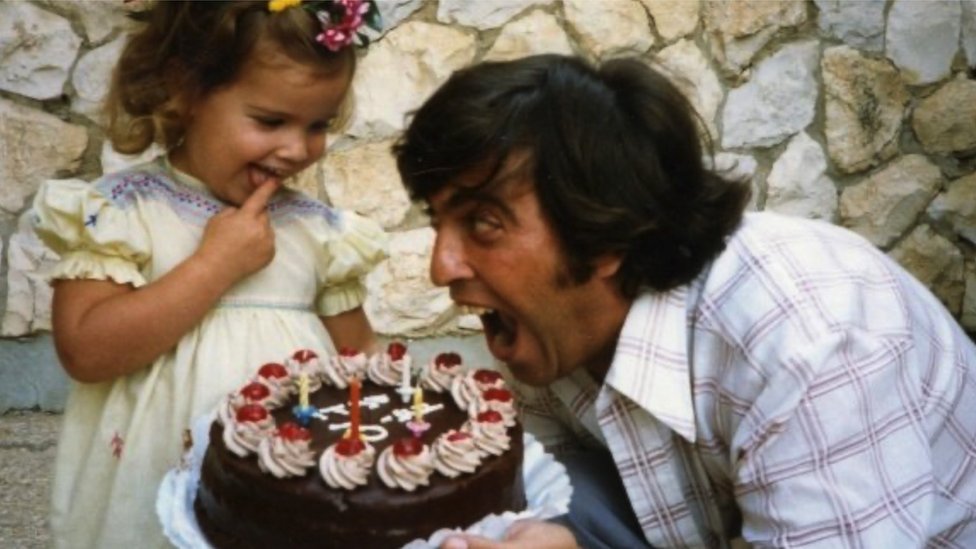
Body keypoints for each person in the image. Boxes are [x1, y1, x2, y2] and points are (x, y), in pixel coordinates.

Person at [393, 54, 976, 548]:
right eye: (438, 221)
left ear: (603, 237)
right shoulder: (555, 330)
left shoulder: (809, 342)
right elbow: (578, 495)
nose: (441, 266)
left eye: (484, 223)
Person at [31, 1, 386, 547]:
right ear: (186, 90)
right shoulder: (123, 214)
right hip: (151, 490)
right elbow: (87, 350)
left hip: (287, 496)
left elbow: (360, 360)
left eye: (318, 125)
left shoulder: (318, 234)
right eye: (271, 121)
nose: (297, 149)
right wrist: (212, 267)